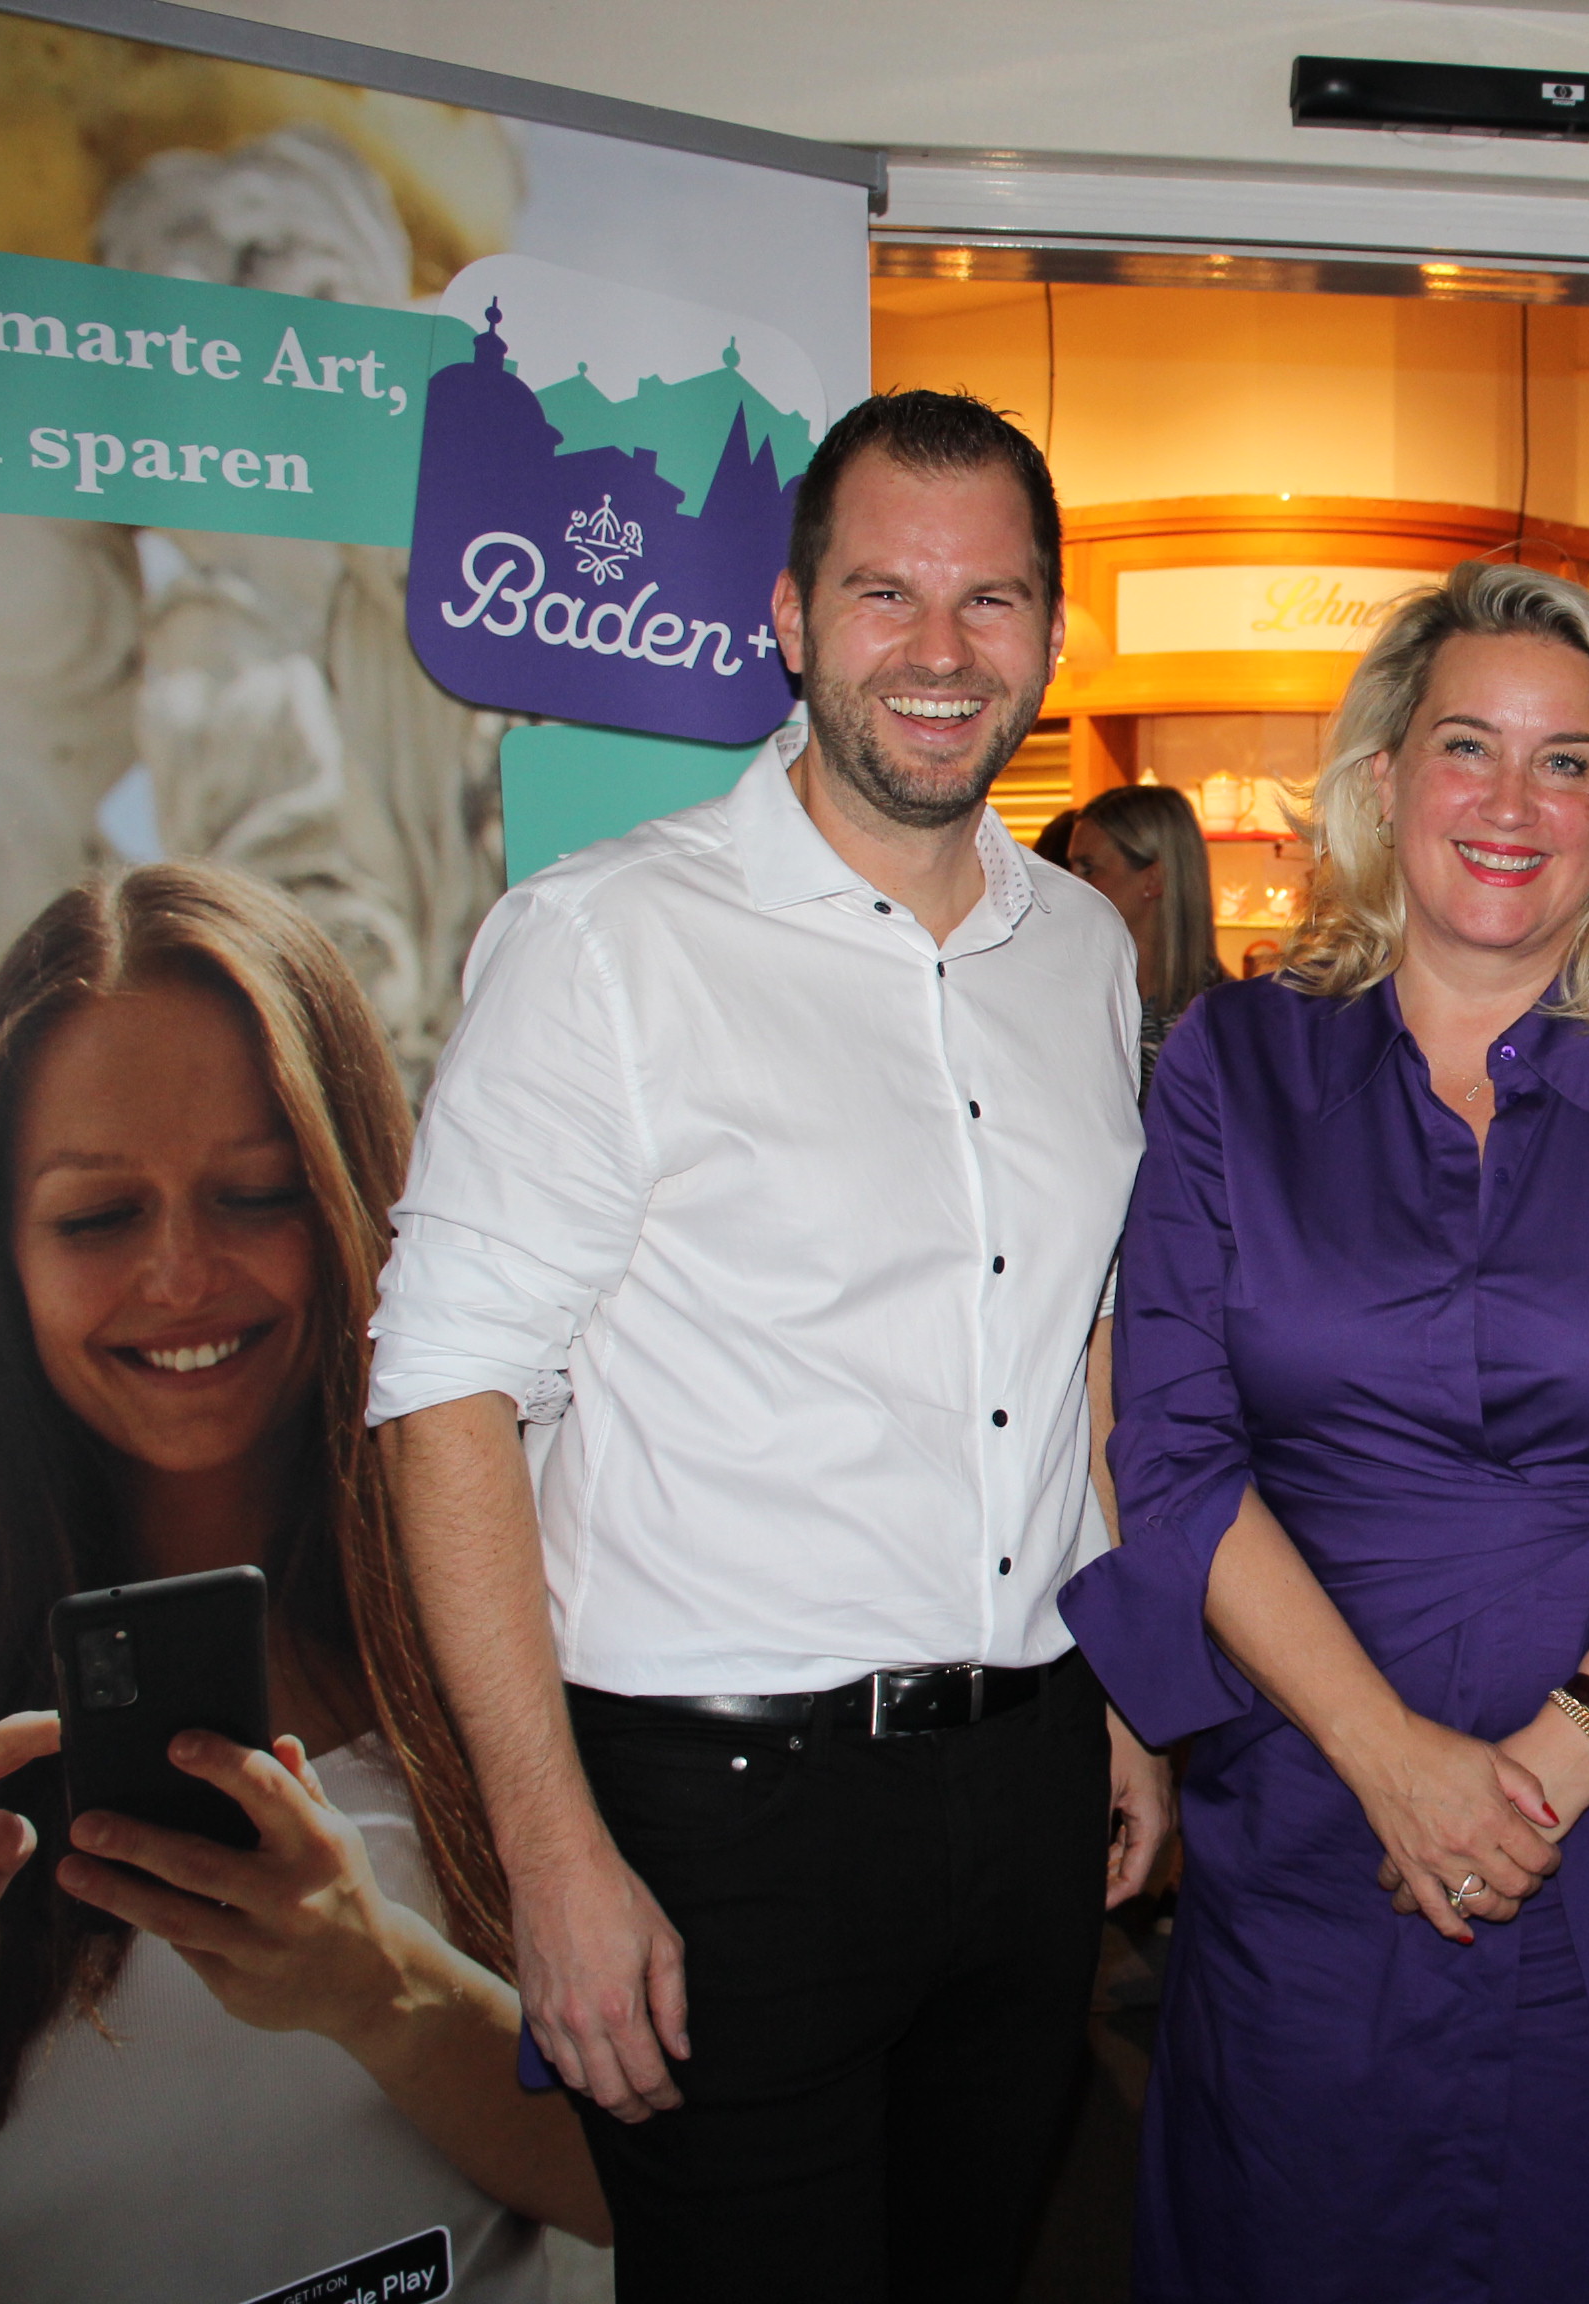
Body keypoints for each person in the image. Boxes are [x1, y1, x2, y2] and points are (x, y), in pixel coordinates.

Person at [370, 389, 1174, 2301]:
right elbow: (445, 1392)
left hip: (1033, 1765)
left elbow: (1080, 1346)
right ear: (790, 618)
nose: (940, 648)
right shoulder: (609, 941)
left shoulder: (1082, 950)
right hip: (724, 1812)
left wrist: (1127, 1693)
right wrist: (548, 1847)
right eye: (886, 592)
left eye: (990, 601)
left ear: (1050, 637)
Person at [1061, 560, 1589, 2303]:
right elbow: (1175, 1451)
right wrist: (1392, 1756)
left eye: (1567, 760)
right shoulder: (1234, 1063)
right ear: (1383, 783)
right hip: (1312, 1816)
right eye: (1468, 745)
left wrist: (1554, 1759)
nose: (1511, 802)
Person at [0, 863, 606, 2303]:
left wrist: (383, 1993)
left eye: (257, 1193)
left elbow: (706, 2186)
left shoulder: (552, 1671)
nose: (180, 1273)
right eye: (97, 1217)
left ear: (359, 1205)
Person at [1068, 781, 1228, 1086]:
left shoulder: (1218, 1020)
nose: (1070, 884)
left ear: (1154, 879)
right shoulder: (1077, 991)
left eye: (1088, 869)